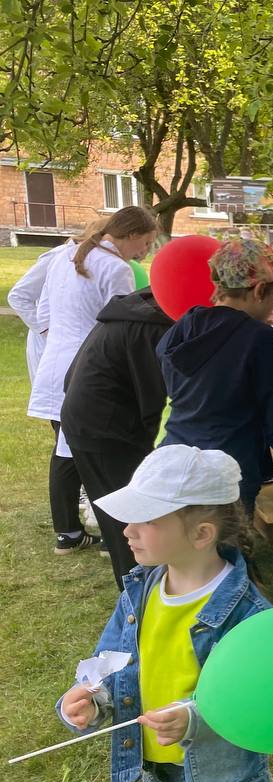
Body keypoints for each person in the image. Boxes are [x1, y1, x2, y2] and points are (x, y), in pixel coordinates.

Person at [56, 445, 272, 782]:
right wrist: (92, 695)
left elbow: (257, 700)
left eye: (144, 520)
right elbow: (115, 659)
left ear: (201, 534)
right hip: (157, 767)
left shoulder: (248, 612)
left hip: (218, 774)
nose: (126, 530)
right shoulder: (142, 588)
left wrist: (196, 719)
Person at [26, 205, 158, 555]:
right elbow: (123, 327)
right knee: (95, 460)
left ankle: (70, 531)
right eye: (144, 244)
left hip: (59, 363)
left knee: (68, 452)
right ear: (130, 235)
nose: (144, 252)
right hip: (92, 370)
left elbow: (43, 313)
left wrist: (59, 336)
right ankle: (108, 534)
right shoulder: (117, 268)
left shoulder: (67, 254)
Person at [156, 237, 273, 513]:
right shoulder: (258, 337)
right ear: (259, 290)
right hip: (227, 469)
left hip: (175, 457)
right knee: (229, 547)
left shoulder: (184, 326)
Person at [61, 287, 173, 588]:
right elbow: (156, 397)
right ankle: (137, 595)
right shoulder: (153, 326)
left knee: (119, 513)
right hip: (106, 429)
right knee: (129, 519)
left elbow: (70, 375)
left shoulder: (134, 310)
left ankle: (136, 586)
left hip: (86, 418)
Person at [8, 218, 108, 384]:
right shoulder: (58, 256)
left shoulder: (97, 261)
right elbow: (18, 296)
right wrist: (45, 329)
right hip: (49, 344)